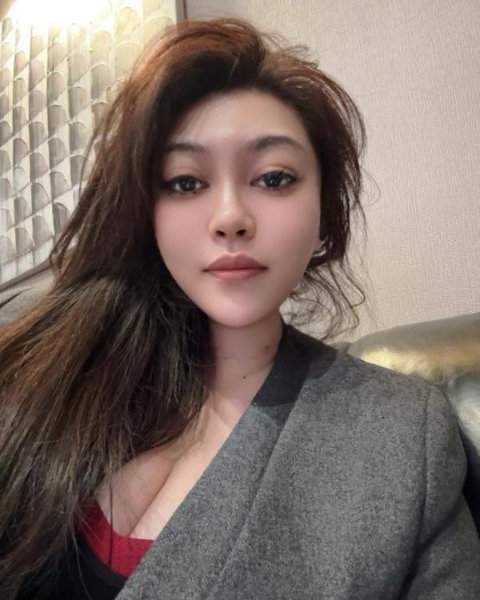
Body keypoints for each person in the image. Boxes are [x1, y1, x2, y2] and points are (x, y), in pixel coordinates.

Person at [0, 16, 479, 600]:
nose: (230, 217)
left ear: (324, 214)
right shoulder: (31, 370)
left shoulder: (402, 436)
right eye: (185, 182)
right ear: (145, 212)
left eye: (273, 178)